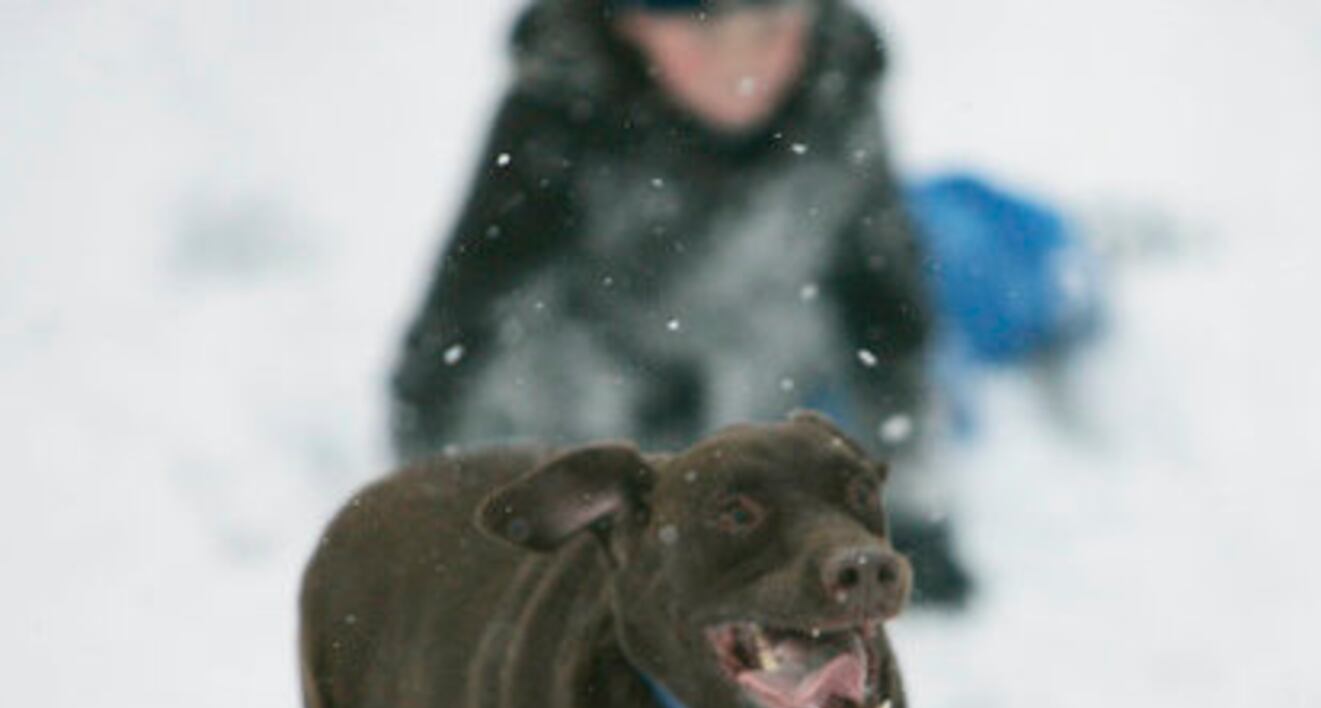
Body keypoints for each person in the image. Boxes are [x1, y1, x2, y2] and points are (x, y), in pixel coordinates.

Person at [390, 0, 973, 605]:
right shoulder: (562, 109)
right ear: (629, 25)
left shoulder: (836, 88)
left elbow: (887, 307)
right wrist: (437, 524)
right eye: (704, 34)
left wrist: (910, 504)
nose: (743, 63)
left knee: (974, 258)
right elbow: (459, 326)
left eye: (771, 27)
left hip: (775, 353)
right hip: (604, 382)